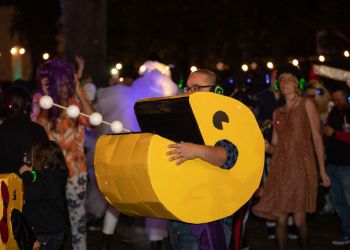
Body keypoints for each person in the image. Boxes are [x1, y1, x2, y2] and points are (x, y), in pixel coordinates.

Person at [252, 64, 331, 250]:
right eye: (281, 80)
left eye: (289, 80)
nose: (285, 83)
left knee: (299, 221)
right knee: (280, 220)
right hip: (280, 168)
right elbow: (275, 147)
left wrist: (322, 171)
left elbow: (317, 138)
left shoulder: (306, 104)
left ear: (296, 83)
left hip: (301, 166)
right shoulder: (277, 113)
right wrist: (265, 146)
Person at [166, 69, 239, 250]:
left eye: (197, 88)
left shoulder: (226, 117)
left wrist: (196, 150)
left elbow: (228, 155)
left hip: (208, 219)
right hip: (179, 211)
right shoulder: (184, 118)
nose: (190, 93)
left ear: (216, 91)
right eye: (188, 88)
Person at [32, 59, 94, 250]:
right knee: (52, 224)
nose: (65, 88)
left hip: (76, 173)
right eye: (61, 84)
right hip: (51, 174)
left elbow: (92, 121)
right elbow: (38, 130)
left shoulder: (76, 104)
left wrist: (79, 90)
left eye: (67, 83)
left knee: (78, 222)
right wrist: (45, 95)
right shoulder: (45, 104)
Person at [19, 140, 68, 250]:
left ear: (42, 159)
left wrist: (26, 174)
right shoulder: (54, 175)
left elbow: (31, 193)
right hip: (48, 230)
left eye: (33, 155)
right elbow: (39, 185)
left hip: (47, 233)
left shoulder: (51, 178)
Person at [323, 86, 350, 246]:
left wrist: (334, 133)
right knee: (339, 202)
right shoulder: (333, 113)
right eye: (333, 99)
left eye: (338, 99)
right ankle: (347, 232)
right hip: (332, 165)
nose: (335, 102)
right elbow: (326, 133)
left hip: (347, 166)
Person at [0, 86, 48, 174]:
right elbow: (45, 164)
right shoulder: (37, 131)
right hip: (30, 185)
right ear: (27, 105)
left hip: (4, 186)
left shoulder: (2, 130)